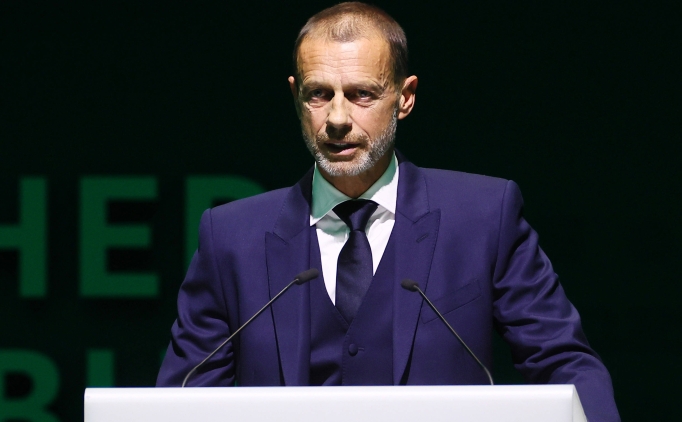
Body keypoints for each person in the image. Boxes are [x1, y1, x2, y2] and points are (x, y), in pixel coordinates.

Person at [157, 3, 619, 421]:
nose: (337, 118)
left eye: (362, 94)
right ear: (296, 96)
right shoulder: (231, 237)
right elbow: (182, 397)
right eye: (319, 94)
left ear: (405, 96)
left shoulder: (483, 216)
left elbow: (564, 362)